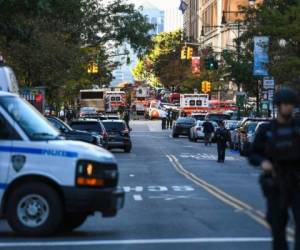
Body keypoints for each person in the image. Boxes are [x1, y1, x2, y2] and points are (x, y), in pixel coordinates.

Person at [248, 87, 300, 250]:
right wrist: (263, 162)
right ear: (278, 106)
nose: (288, 107)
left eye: (291, 104)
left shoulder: (298, 128)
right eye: (284, 104)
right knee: (277, 224)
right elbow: (253, 153)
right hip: (276, 182)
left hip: (297, 181)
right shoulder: (266, 130)